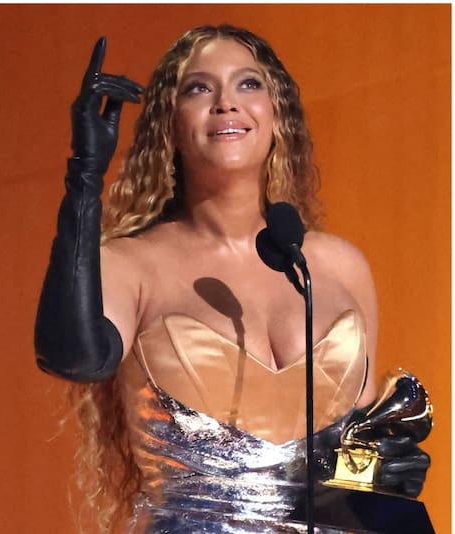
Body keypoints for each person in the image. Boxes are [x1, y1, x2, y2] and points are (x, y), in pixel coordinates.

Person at [34, 25, 430, 532]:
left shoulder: (338, 265)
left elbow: (352, 468)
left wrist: (385, 475)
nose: (226, 103)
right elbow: (74, 357)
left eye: (248, 84)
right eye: (199, 88)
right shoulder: (130, 264)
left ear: (277, 113)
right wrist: (84, 176)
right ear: (169, 125)